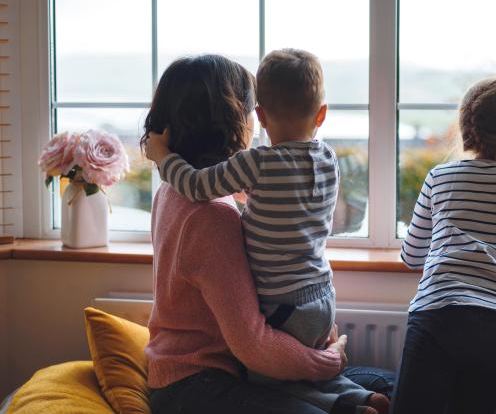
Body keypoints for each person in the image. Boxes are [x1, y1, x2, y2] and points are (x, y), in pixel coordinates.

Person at [145, 49, 389, 414]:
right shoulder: (211, 216)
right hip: (200, 382)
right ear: (233, 119)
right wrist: (329, 361)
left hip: (223, 367)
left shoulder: (171, 190)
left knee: (387, 384)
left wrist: (163, 156)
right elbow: (253, 344)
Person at [391, 77, 496, 414]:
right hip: (494, 325)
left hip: (435, 314)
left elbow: (411, 254)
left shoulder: (439, 176)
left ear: (465, 128)